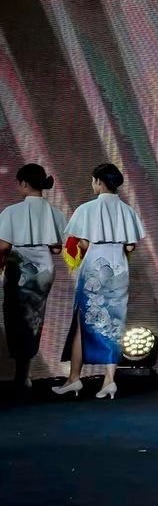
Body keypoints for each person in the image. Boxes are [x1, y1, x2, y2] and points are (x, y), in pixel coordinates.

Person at [54, 163, 146, 399]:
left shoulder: (87, 209)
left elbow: (83, 243)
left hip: (95, 265)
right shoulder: (127, 211)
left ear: (98, 181)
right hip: (119, 268)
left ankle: (74, 378)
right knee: (115, 322)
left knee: (82, 321)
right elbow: (130, 246)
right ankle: (109, 380)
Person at [0, 164, 68, 396]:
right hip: (44, 270)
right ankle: (24, 374)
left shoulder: (12, 211)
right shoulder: (54, 212)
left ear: (24, 184)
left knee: (14, 316)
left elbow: (3, 246)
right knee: (34, 319)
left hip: (19, 269)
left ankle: (21, 376)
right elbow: (57, 248)